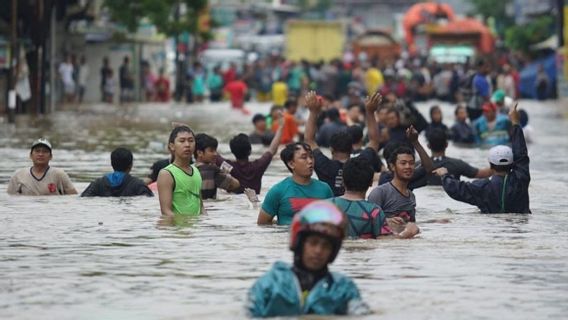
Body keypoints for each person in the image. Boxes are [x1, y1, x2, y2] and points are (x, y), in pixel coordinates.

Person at [247, 201, 370, 317]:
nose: (318, 251)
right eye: (313, 243)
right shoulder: (270, 284)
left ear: (334, 251)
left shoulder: (343, 289)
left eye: (326, 246)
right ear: (299, 243)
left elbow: (360, 313)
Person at [434, 103, 530, 213]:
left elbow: (457, 189)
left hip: (490, 228)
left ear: (490, 165)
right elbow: (521, 154)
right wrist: (516, 123)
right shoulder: (521, 179)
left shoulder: (483, 187)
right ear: (512, 164)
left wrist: (445, 176)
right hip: (519, 227)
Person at [305, 91, 383, 196]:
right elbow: (374, 140)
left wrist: (313, 111)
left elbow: (309, 140)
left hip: (332, 209)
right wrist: (370, 112)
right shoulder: (360, 164)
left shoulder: (324, 165)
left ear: (331, 149)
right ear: (351, 149)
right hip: (357, 208)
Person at [329, 157, 419, 239]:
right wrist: (408, 232)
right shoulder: (373, 212)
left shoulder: (326, 205)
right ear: (371, 183)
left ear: (343, 181)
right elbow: (386, 242)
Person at [257, 143, 333, 225]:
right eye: (304, 157)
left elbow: (334, 221)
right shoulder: (278, 191)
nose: (310, 161)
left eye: (311, 156)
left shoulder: (325, 189)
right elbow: (263, 224)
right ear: (291, 164)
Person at [368, 131, 432, 224]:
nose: (408, 167)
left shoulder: (411, 197)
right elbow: (367, 221)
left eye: (411, 163)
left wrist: (433, 222)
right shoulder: (379, 193)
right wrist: (387, 221)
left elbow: (412, 225)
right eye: (403, 163)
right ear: (392, 166)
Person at [216, 118, 284, 195]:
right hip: (254, 202)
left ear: (232, 152)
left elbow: (214, 155)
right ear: (250, 151)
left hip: (234, 203)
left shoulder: (229, 166)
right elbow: (272, 150)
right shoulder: (259, 165)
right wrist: (281, 127)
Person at [413, 129, 492, 186]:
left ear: (428, 146)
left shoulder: (417, 166)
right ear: (447, 145)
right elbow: (482, 174)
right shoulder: (457, 164)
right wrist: (500, 165)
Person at [157, 126, 203, 216]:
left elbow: (201, 208)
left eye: (191, 141)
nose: (187, 145)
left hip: (195, 228)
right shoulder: (166, 174)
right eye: (182, 141)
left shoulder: (196, 171)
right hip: (178, 228)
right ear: (172, 146)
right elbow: (166, 211)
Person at [8, 138, 78, 196]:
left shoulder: (59, 174)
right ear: (30, 155)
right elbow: (11, 199)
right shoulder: (18, 175)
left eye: (45, 151)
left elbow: (73, 197)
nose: (40, 154)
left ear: (51, 156)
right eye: (37, 151)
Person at [81, 148, 153, 197]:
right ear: (131, 165)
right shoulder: (139, 185)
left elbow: (84, 199)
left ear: (112, 164)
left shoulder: (97, 184)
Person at [194, 133, 240, 200]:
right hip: (210, 208)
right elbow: (235, 184)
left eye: (215, 150)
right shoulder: (212, 170)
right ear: (199, 153)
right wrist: (223, 173)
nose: (215, 154)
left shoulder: (189, 168)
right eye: (211, 151)